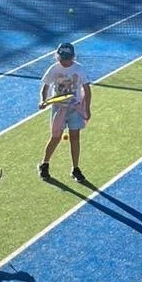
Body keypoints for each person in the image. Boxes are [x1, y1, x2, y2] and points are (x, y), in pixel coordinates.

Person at [38, 40, 92, 184]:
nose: (65, 62)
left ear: (73, 57)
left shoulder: (79, 69)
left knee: (75, 137)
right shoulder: (54, 69)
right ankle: (44, 164)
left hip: (75, 108)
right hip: (59, 108)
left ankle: (75, 168)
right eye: (62, 59)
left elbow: (87, 90)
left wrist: (87, 109)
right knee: (55, 137)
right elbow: (45, 87)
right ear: (57, 57)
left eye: (67, 59)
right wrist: (43, 100)